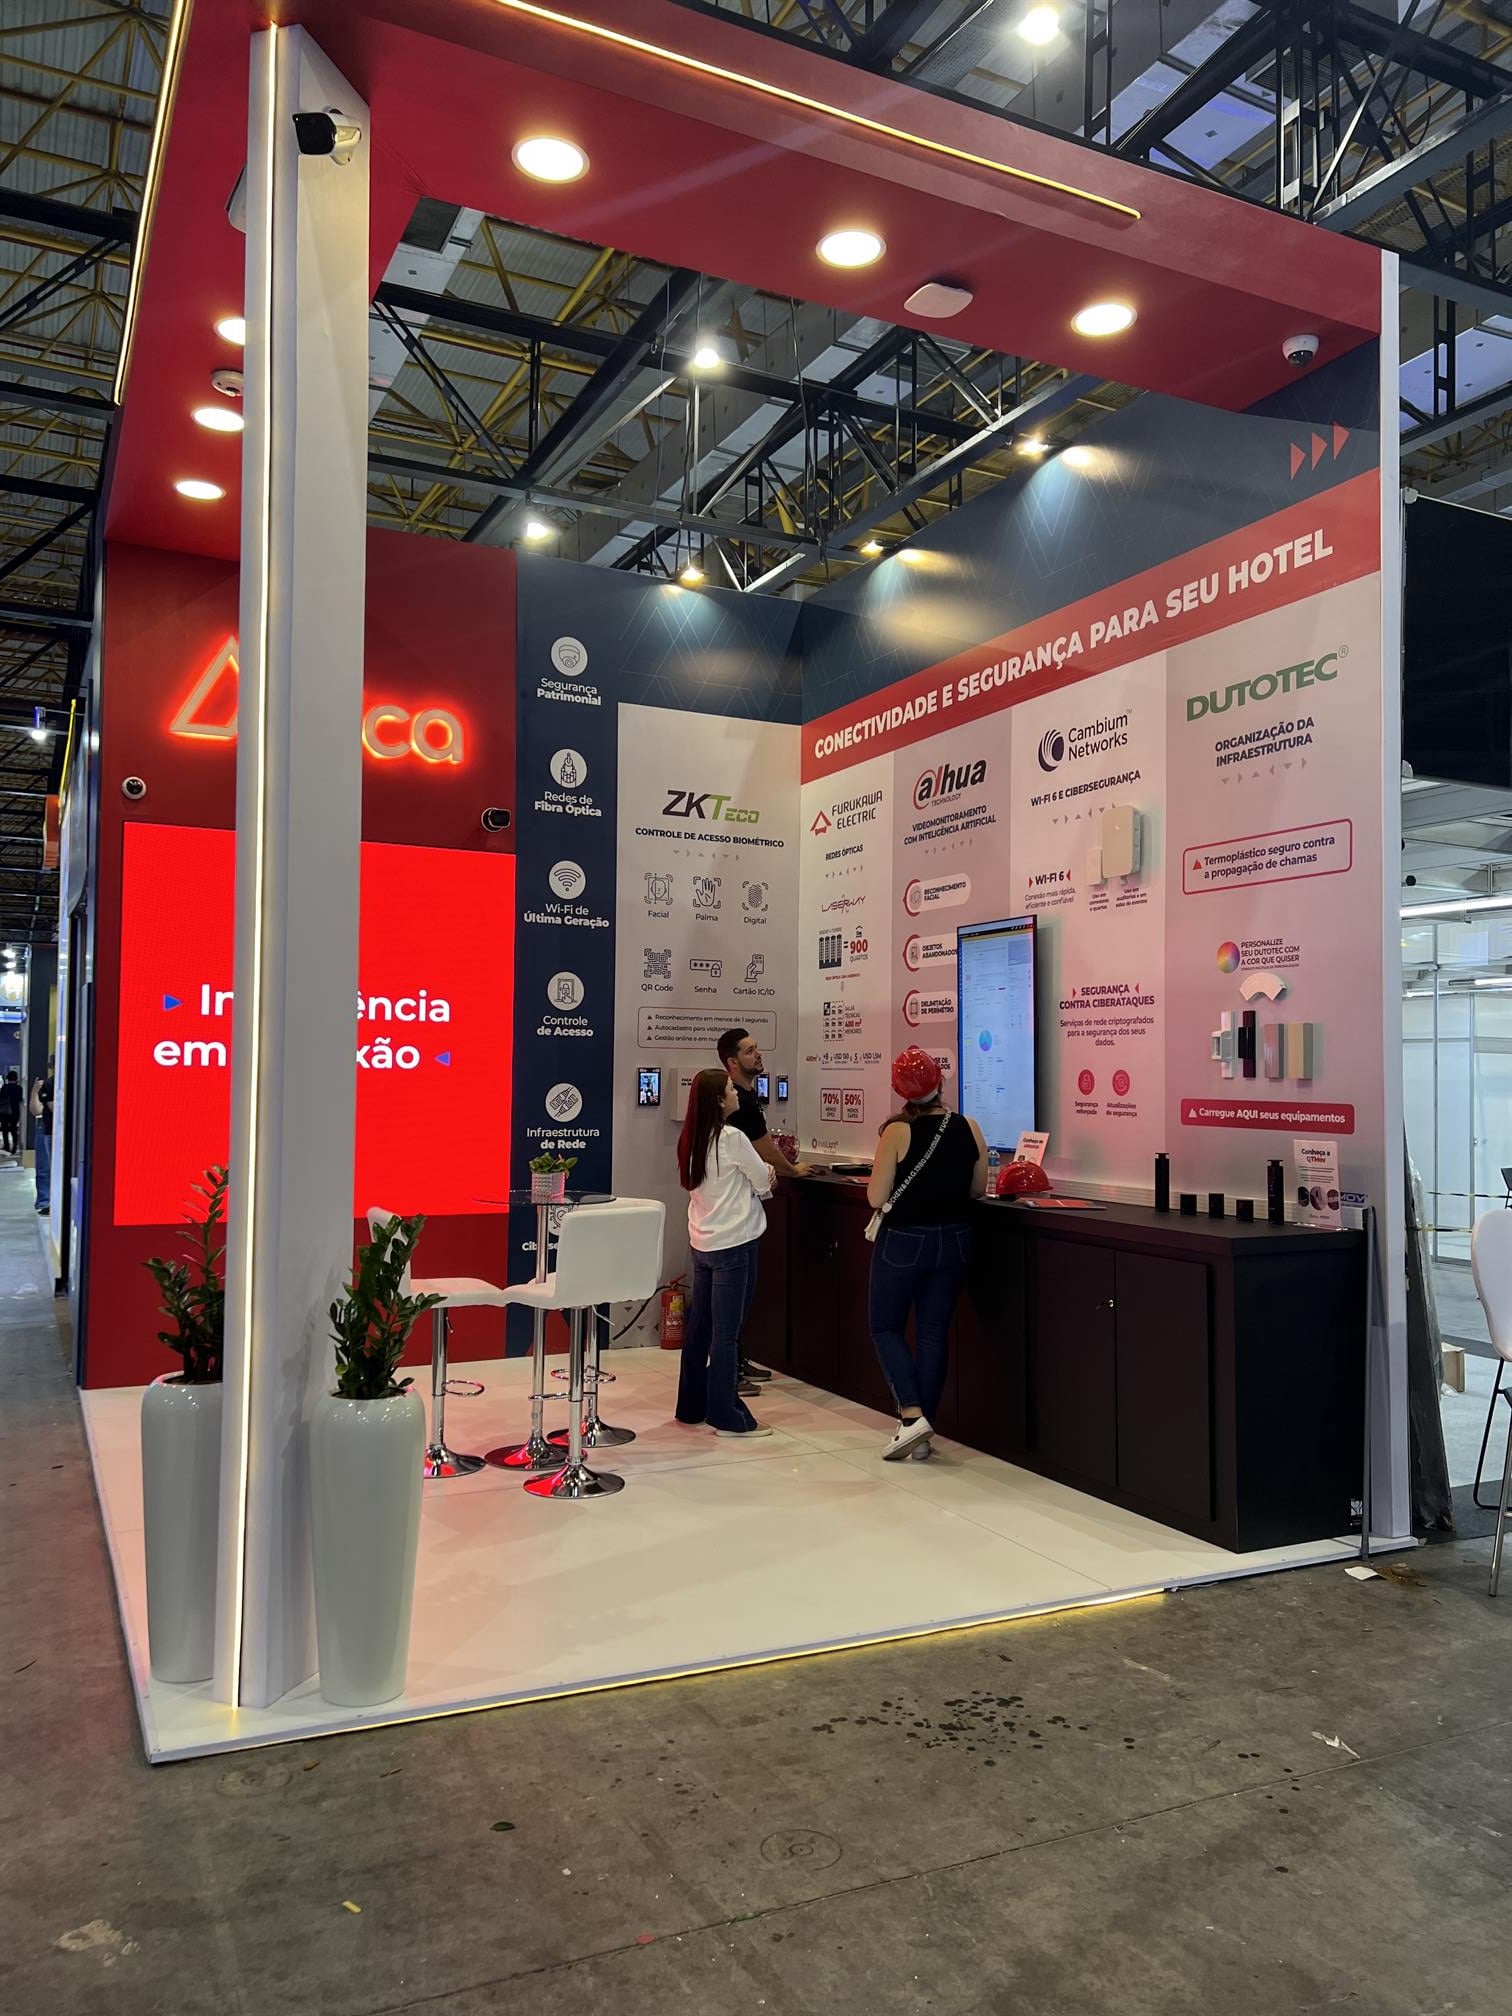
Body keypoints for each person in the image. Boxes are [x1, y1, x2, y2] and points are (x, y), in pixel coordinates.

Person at [866, 1046, 987, 1462]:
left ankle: (912, 1415)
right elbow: (977, 1189)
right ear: (940, 1082)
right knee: (933, 1332)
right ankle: (922, 1434)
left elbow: (876, 1197)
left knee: (885, 1327)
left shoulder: (897, 1132)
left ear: (899, 1090)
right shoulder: (969, 1126)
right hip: (956, 1241)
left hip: (904, 1241)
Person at [675, 1067, 776, 1438]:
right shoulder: (732, 1137)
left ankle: (691, 1405)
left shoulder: (691, 1139)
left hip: (703, 1243)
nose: (737, 1094)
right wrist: (767, 1172)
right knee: (727, 1333)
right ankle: (726, 1413)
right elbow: (762, 1181)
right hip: (735, 1243)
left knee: (700, 1327)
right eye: (732, 1089)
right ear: (719, 1100)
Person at [717, 1027, 809, 1386]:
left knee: (740, 1297)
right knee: (735, 1298)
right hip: (735, 1217)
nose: (757, 1055)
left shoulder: (747, 1099)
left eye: (757, 1048)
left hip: (731, 1216)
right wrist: (792, 1170)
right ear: (731, 1062)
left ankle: (737, 1360)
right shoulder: (738, 1103)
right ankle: (729, 1369)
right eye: (749, 1050)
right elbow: (764, 1148)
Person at [30, 1057, 54, 1214]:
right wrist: (35, 1091)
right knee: (45, 1168)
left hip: (54, 1129)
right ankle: (44, 1201)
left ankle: (48, 1201)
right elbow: (37, 1110)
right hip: (47, 1128)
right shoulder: (48, 1084)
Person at [0, 1069, 21, 1157]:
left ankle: (7, 1147)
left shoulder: (5, 1087)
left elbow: (1, 1098)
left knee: (5, 1130)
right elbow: (20, 1099)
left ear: (8, 1078)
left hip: (4, 1112)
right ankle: (14, 1147)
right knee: (13, 1129)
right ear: (16, 1078)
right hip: (15, 1111)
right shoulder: (19, 1088)